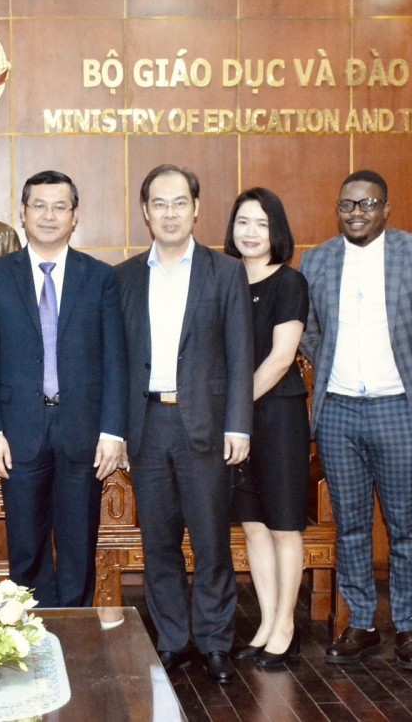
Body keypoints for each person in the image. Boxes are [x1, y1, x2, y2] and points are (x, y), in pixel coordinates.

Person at [300, 170, 412, 671]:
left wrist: (411, 376)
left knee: (407, 528)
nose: (357, 213)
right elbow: (308, 333)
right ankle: (364, 625)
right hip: (339, 413)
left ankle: (410, 627)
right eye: (347, 204)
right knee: (350, 526)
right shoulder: (318, 260)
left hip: (400, 411)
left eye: (368, 204)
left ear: (386, 209)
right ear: (338, 208)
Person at [115, 165, 252, 684]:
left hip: (208, 427)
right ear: (145, 212)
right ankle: (172, 641)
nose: (169, 213)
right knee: (159, 543)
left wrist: (238, 425)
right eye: (159, 203)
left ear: (196, 208)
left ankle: (216, 641)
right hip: (148, 426)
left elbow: (241, 356)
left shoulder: (224, 273)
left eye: (179, 203)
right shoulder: (125, 277)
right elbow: (118, 361)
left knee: (212, 541)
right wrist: (119, 430)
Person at [0, 170, 126, 609]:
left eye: (60, 206)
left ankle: (75, 634)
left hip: (82, 430)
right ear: (22, 213)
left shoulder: (99, 278)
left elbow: (116, 359)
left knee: (78, 543)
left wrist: (113, 431)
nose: (49, 215)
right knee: (26, 547)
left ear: (75, 216)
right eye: (39, 205)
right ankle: (31, 636)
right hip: (17, 432)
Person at [222, 188, 310, 669]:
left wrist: (233, 408)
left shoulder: (289, 282)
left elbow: (279, 360)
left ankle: (287, 626)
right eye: (242, 222)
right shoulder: (225, 278)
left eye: (260, 223)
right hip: (237, 423)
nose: (250, 232)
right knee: (253, 525)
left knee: (283, 524)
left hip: (276, 415)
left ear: (276, 230)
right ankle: (266, 622)